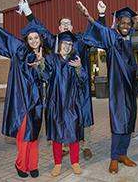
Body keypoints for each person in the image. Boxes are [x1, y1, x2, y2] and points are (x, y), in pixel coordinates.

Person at [18, 0, 107, 160]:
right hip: (61, 88)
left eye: (69, 23)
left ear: (72, 27)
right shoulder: (54, 42)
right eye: (63, 23)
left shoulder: (80, 40)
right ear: (59, 28)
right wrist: (27, 11)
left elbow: (96, 32)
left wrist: (100, 15)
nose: (66, 25)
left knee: (84, 114)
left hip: (80, 85)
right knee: (63, 114)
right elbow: (40, 29)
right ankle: (65, 145)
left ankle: (86, 145)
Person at [0, 7, 45, 178]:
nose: (33, 41)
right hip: (21, 102)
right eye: (31, 38)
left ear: (40, 39)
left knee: (33, 136)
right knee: (23, 136)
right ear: (27, 40)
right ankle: (20, 165)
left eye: (36, 38)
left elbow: (48, 76)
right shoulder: (19, 50)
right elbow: (4, 35)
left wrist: (40, 63)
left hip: (36, 103)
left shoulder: (43, 56)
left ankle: (32, 165)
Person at [76, 1, 138, 174]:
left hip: (130, 89)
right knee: (118, 122)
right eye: (123, 23)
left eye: (129, 23)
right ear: (118, 23)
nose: (126, 26)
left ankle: (123, 154)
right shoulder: (112, 39)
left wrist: (134, 23)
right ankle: (114, 157)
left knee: (129, 122)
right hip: (117, 89)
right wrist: (89, 15)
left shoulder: (128, 38)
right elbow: (99, 29)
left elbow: (129, 33)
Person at [41, 31, 86, 176]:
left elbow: (83, 80)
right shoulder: (51, 59)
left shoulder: (75, 60)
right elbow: (44, 76)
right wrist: (41, 64)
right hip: (56, 102)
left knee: (74, 134)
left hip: (72, 102)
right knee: (57, 134)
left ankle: (75, 162)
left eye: (70, 44)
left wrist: (79, 67)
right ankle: (58, 164)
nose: (67, 46)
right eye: (65, 43)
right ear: (60, 44)